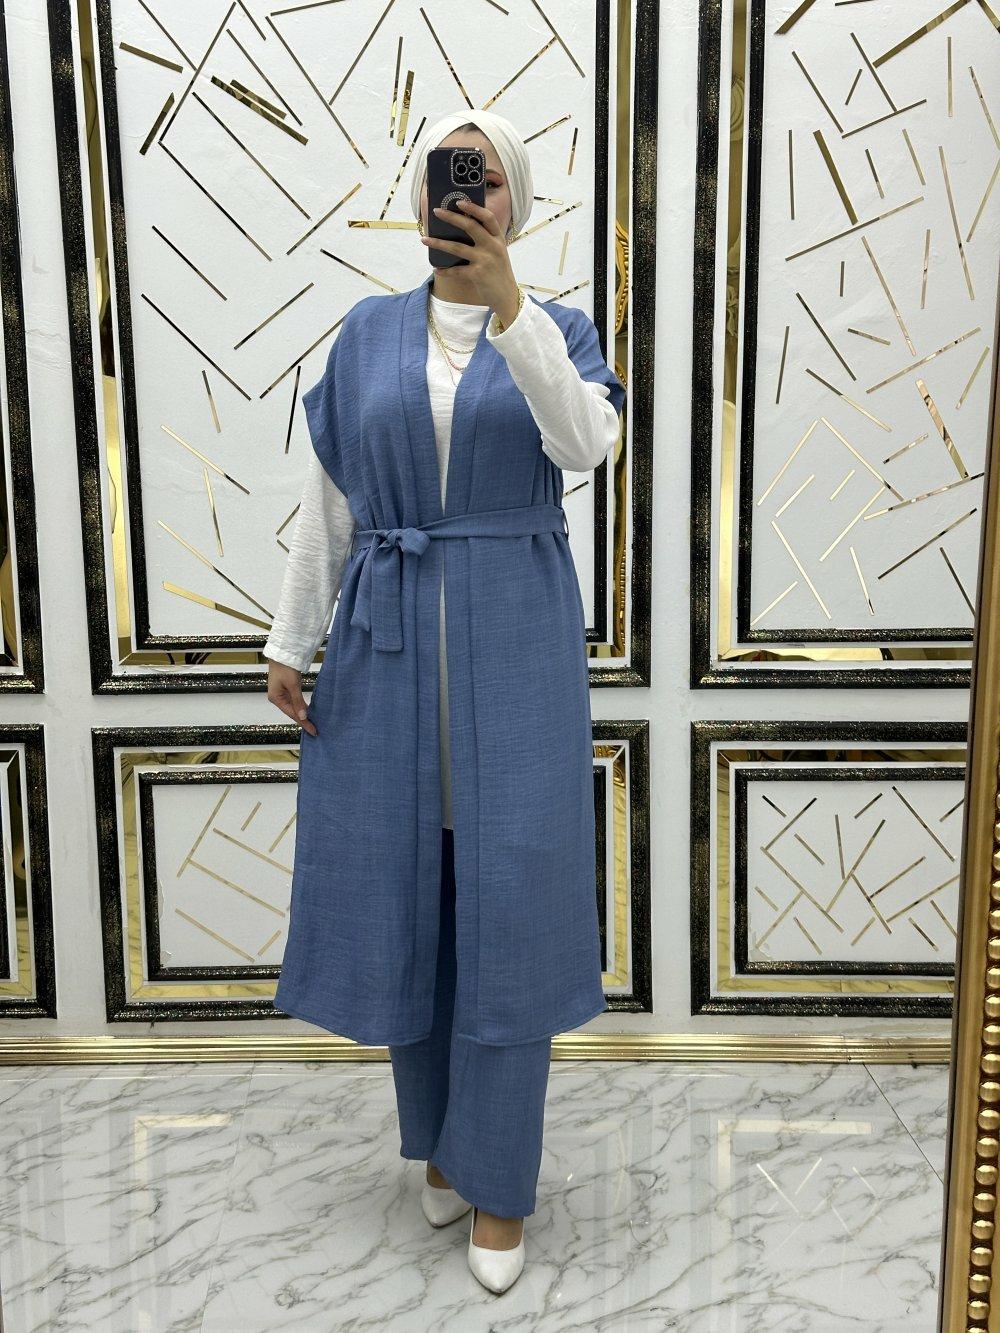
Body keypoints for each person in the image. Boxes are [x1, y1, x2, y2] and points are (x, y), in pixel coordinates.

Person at [265, 109, 626, 1294]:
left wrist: (512, 306)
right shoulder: (368, 332)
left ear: (512, 199)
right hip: (384, 641)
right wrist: (293, 638)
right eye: (443, 174)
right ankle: (435, 1142)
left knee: (508, 901)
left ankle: (500, 1182)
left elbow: (586, 446)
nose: (461, 195)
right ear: (420, 196)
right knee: (405, 891)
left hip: (512, 638)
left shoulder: (558, 328)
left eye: (483, 179)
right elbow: (329, 495)